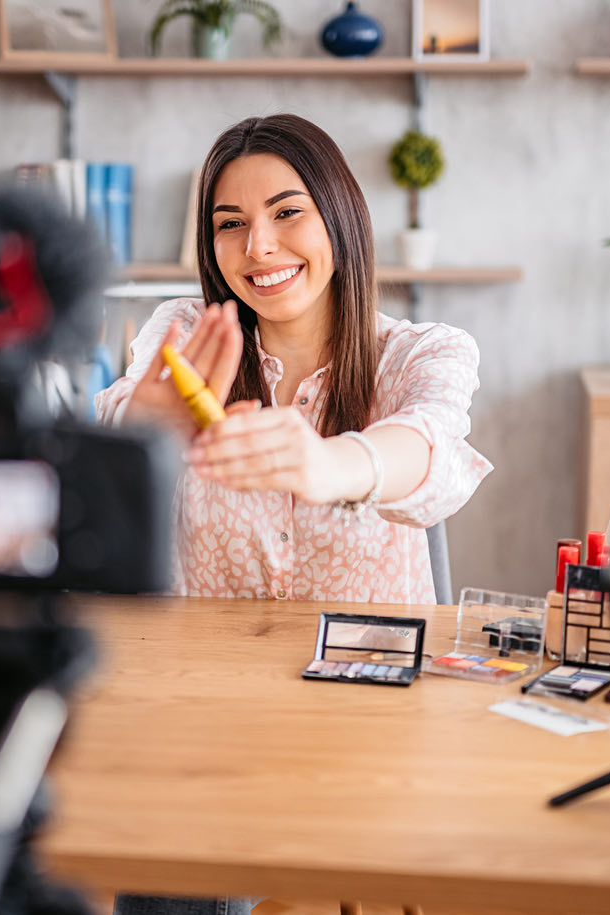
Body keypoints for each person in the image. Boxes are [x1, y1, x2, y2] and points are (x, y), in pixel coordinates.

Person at [95, 113, 492, 604]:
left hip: (362, 673)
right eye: (231, 223)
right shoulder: (188, 331)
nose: (257, 246)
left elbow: (430, 446)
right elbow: (119, 418)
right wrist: (143, 427)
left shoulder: (422, 352)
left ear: (339, 217)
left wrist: (329, 463)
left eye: (286, 212)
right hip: (207, 673)